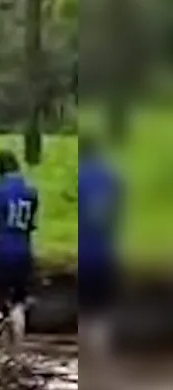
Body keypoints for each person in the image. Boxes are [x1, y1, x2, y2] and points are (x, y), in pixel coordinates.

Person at [0, 150, 40, 337]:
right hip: (24, 251)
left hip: (2, 250)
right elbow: (32, 224)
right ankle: (17, 350)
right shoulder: (31, 192)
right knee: (18, 302)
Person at [78, 135, 122, 354]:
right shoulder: (112, 177)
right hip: (107, 251)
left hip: (86, 251)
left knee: (86, 304)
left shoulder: (81, 177)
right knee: (103, 305)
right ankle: (103, 348)